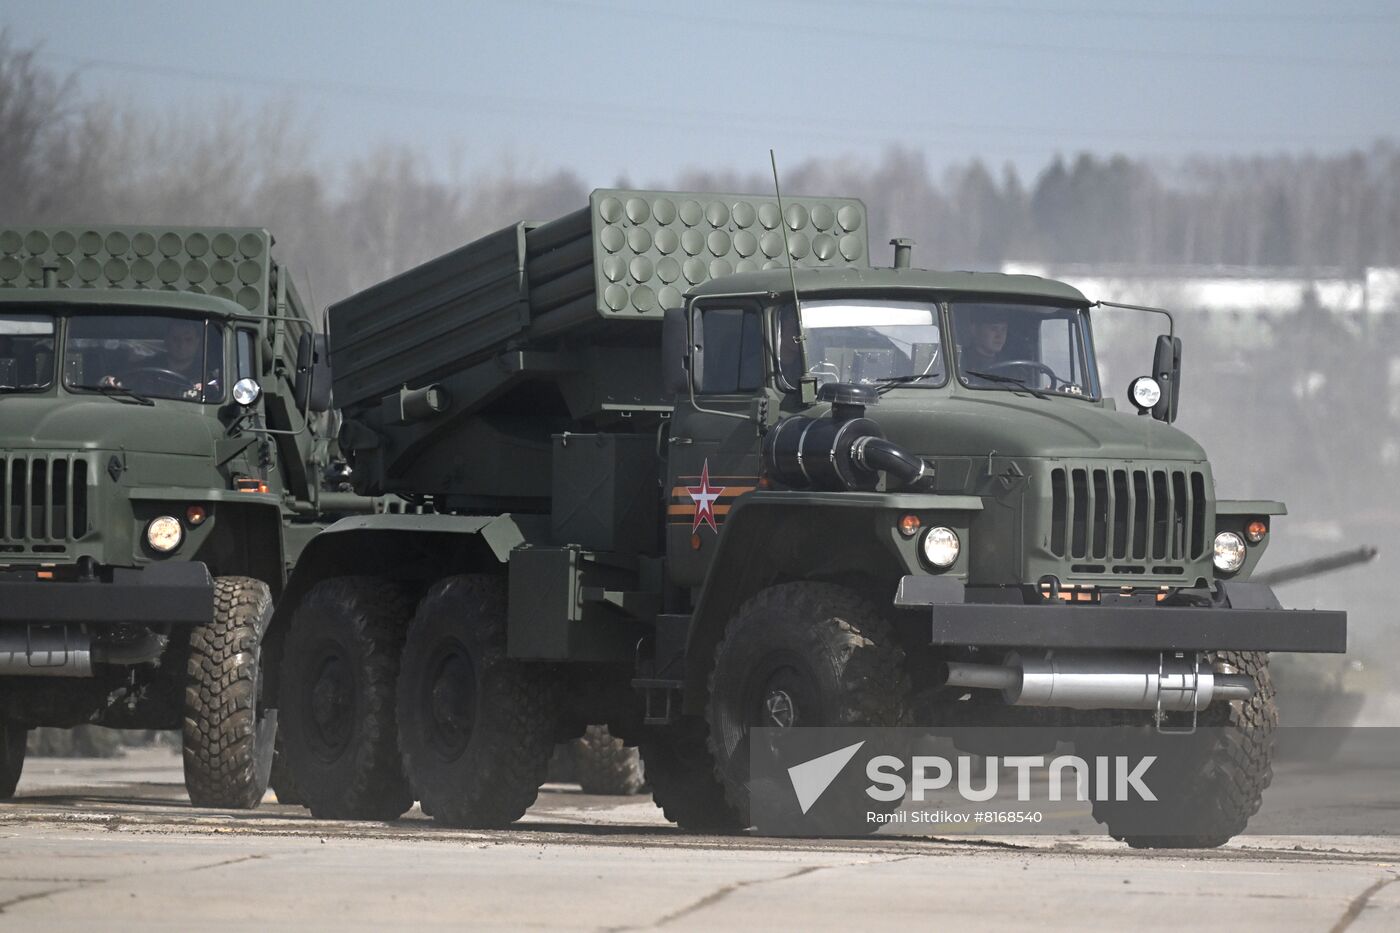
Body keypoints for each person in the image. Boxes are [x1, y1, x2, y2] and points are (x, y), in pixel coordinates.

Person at [958, 311, 1009, 377]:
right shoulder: (961, 360)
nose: (999, 336)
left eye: (1003, 329)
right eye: (993, 329)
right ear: (975, 330)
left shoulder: (1008, 364)